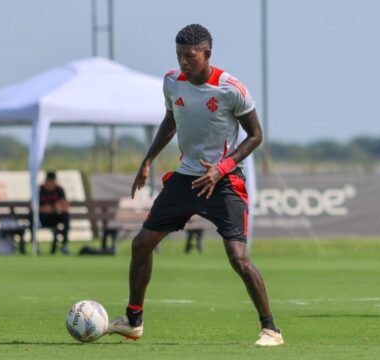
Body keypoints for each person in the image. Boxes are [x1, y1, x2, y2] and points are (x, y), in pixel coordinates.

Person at [107, 24, 283, 346]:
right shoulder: (172, 82)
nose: (183, 62)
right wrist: (148, 160)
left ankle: (271, 329)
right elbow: (170, 122)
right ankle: (133, 320)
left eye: (190, 56)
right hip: (187, 178)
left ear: (207, 54)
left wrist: (223, 167)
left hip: (225, 181)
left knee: (238, 257)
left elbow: (256, 136)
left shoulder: (231, 89)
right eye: (179, 55)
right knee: (141, 244)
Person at [38, 171, 70, 255]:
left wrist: (57, 207)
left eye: (53, 181)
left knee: (66, 217)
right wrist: (42, 209)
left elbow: (65, 206)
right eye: (50, 181)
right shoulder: (39, 190)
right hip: (42, 217)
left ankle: (64, 244)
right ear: (46, 181)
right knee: (32, 217)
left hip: (54, 217)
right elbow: (31, 206)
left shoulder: (59, 190)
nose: (51, 183)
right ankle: (36, 246)